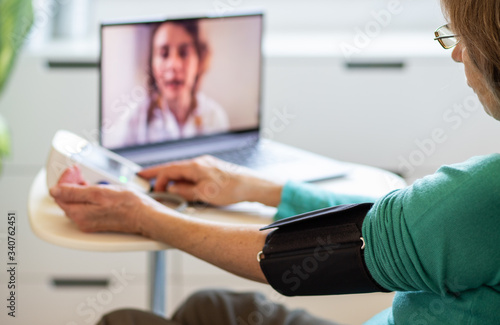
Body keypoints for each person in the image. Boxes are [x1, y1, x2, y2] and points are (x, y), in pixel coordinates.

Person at [50, 0, 500, 324]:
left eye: (463, 38)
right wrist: (252, 187)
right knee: (208, 307)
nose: (458, 52)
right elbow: (402, 220)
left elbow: (292, 260)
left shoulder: (485, 194)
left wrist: (147, 217)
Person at [124, 19, 229, 146]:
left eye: (184, 53)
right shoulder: (134, 120)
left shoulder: (214, 116)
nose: (173, 65)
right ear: (152, 63)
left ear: (199, 62)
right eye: (164, 54)